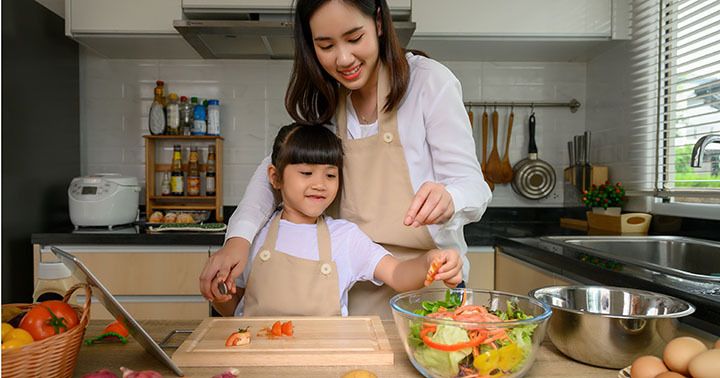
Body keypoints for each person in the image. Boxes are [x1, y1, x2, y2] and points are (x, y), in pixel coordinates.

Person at [200, 0, 492, 318]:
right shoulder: (326, 97)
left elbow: (473, 185)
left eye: (354, 38)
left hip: (427, 284)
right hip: (351, 287)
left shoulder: (428, 83)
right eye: (325, 45)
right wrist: (238, 241)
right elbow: (274, 167)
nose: (343, 58)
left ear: (379, 22)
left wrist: (451, 197)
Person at [210, 123, 463, 317]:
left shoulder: (345, 237)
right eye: (306, 173)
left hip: (327, 361)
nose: (319, 184)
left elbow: (397, 274)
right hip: (255, 360)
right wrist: (219, 298)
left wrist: (431, 261)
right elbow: (233, 308)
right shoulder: (254, 237)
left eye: (330, 175)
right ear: (275, 177)